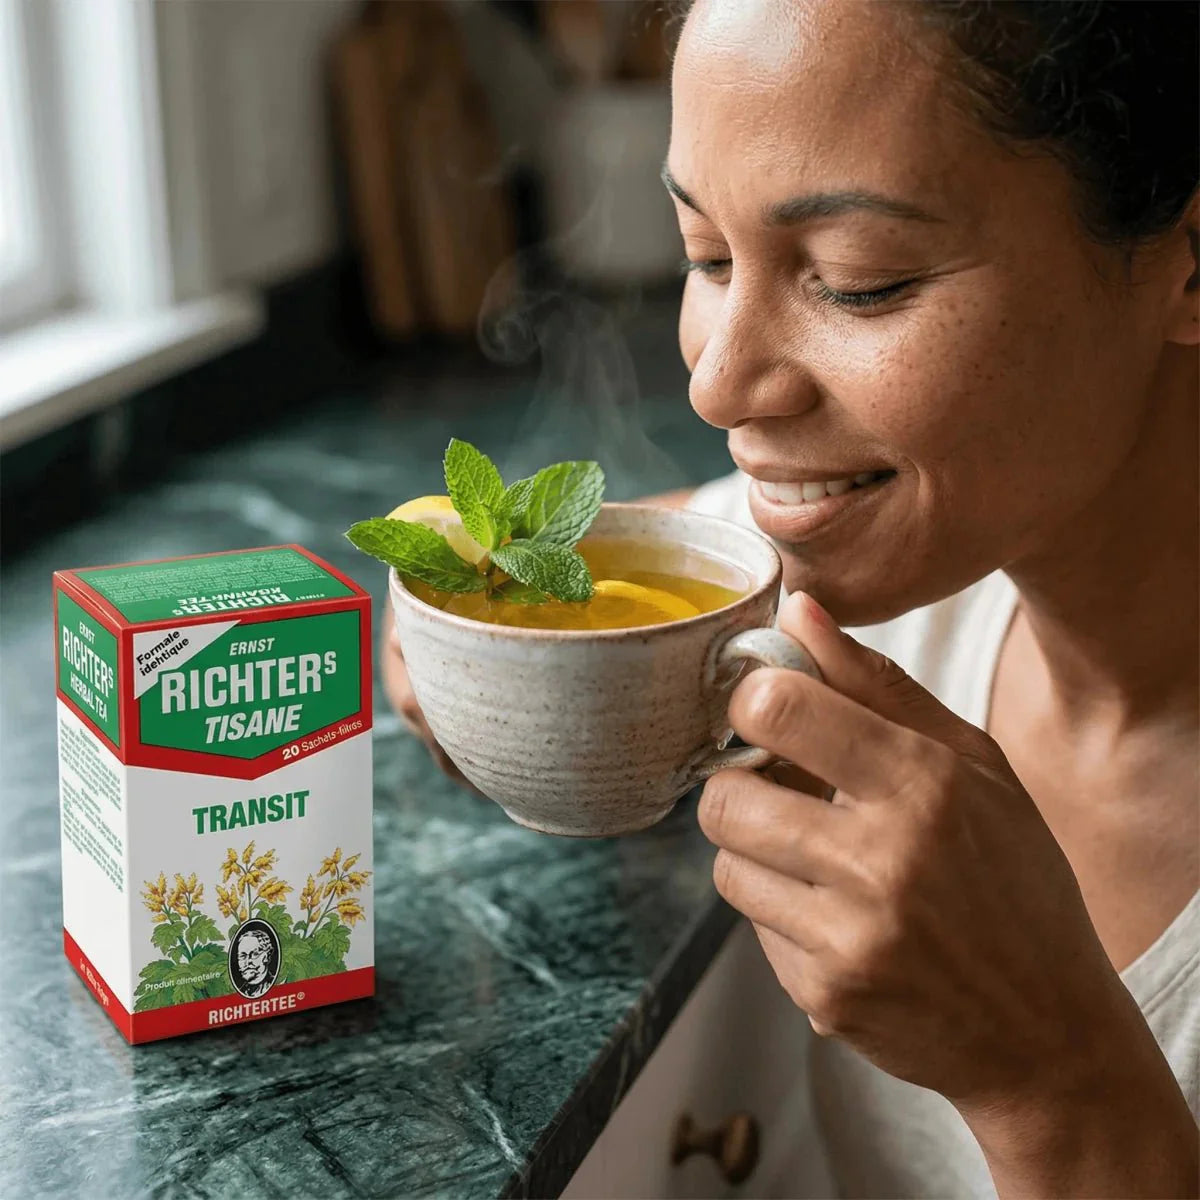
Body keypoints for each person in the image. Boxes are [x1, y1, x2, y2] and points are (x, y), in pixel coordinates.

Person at [384, 1, 1198, 1194]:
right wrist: (476, 642)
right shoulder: (908, 550)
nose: (717, 382)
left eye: (858, 282)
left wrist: (1057, 1084)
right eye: (706, 256)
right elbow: (589, 550)